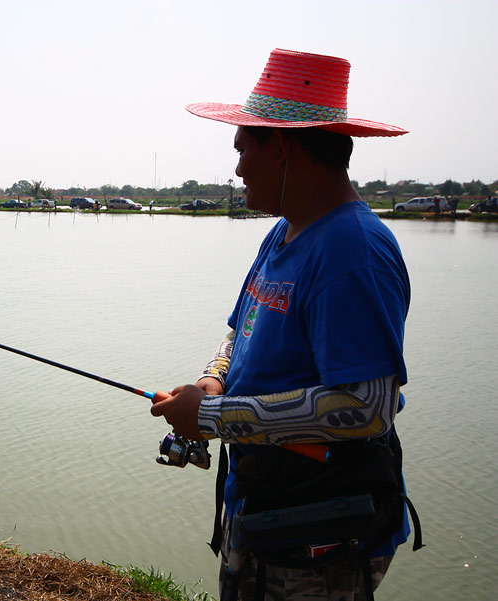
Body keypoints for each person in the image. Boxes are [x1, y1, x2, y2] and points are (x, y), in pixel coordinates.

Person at [150, 49, 421, 601]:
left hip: (319, 537)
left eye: (244, 149)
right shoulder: (284, 232)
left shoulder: (352, 251)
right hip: (263, 512)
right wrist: (213, 381)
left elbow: (368, 407)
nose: (238, 167)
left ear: (285, 148)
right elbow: (238, 334)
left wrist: (213, 415)